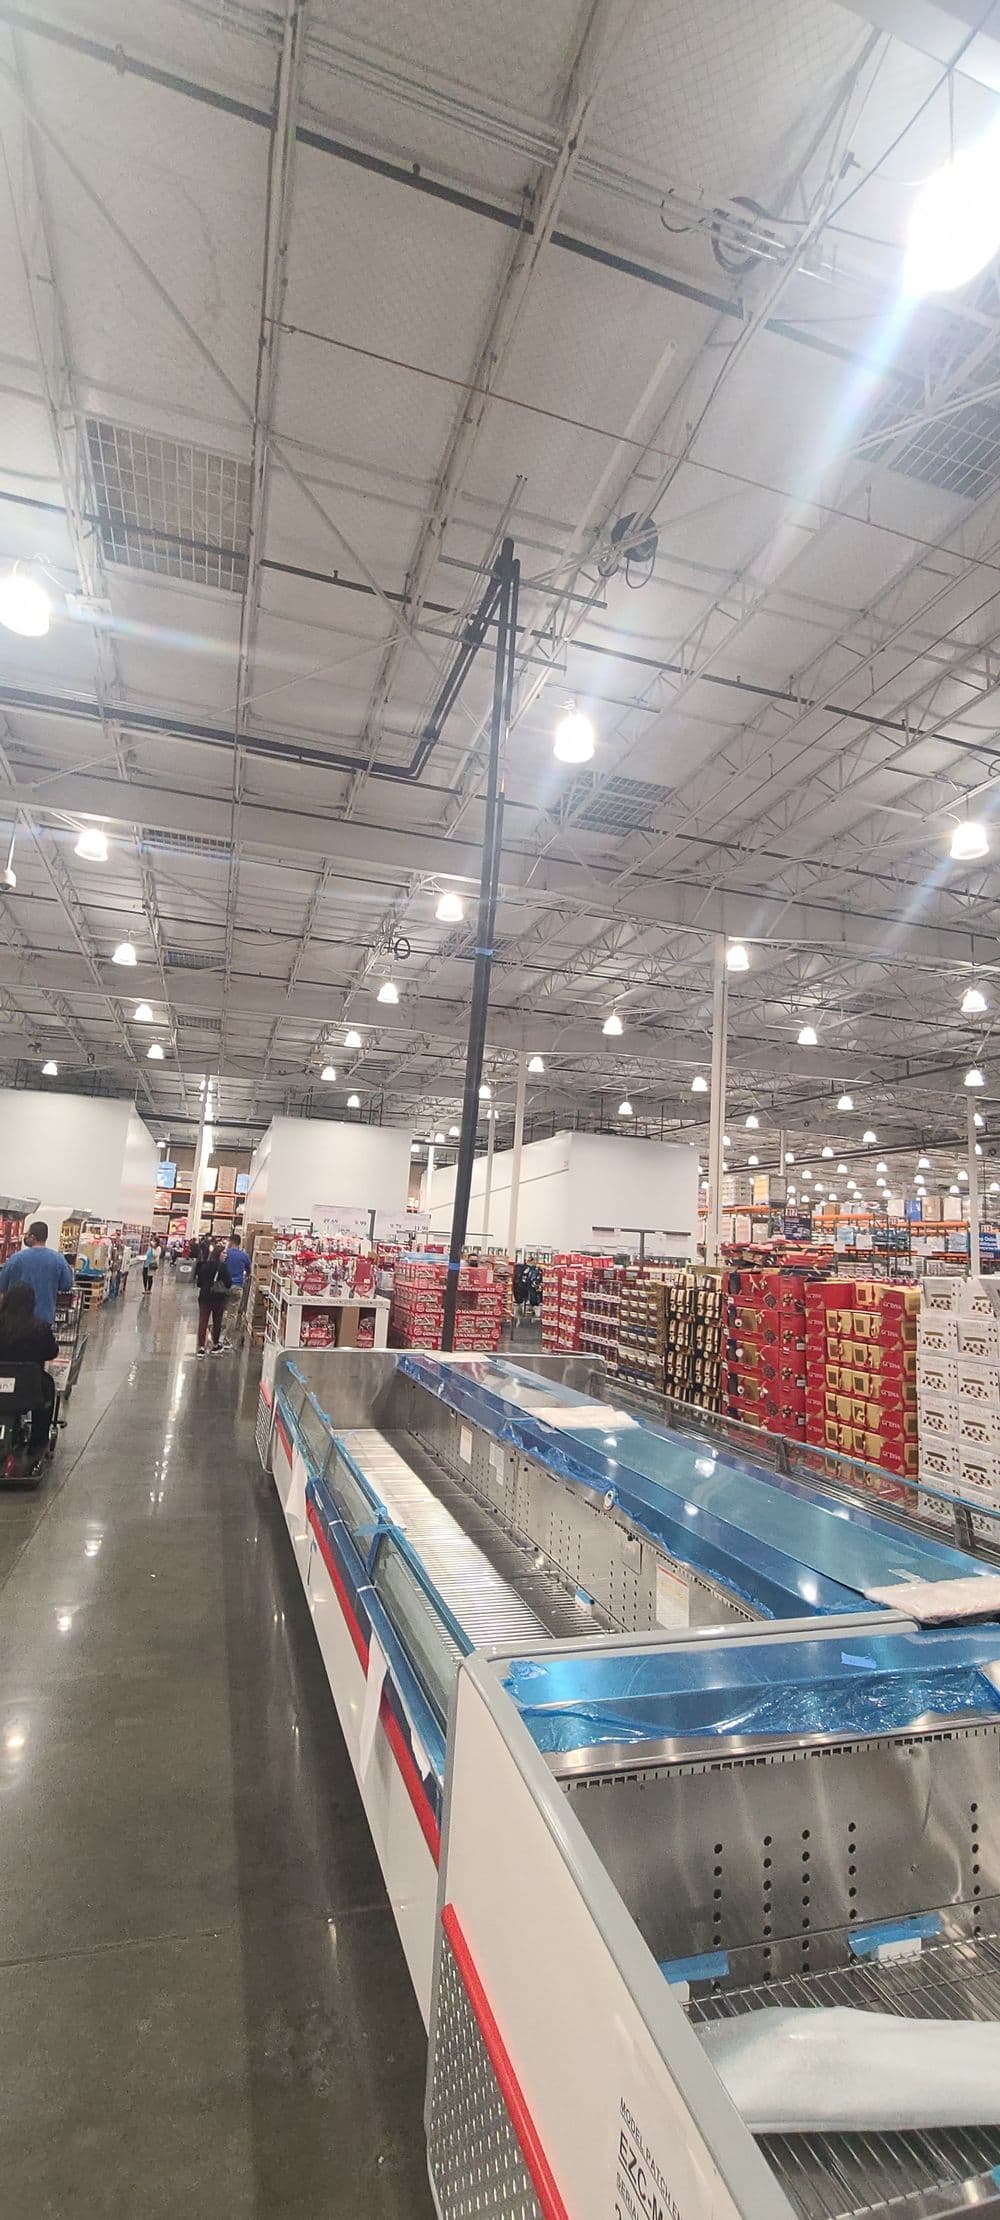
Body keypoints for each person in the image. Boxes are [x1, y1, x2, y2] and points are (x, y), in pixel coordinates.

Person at [0, 1282, 59, 1451]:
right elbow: (52, 1352)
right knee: (47, 1387)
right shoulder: (40, 1328)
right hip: (28, 1389)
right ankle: (38, 1440)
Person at [0, 1221, 73, 1325]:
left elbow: (2, 1284)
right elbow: (66, 1285)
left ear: (32, 1237)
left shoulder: (16, 1258)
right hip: (44, 1318)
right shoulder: (58, 1259)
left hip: (16, 1318)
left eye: (27, 1234)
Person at [195, 1239, 231, 1354]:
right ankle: (215, 1345)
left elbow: (199, 1283)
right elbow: (228, 1283)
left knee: (203, 1321)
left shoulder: (205, 1265)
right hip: (218, 1298)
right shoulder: (223, 1267)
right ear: (218, 1254)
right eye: (224, 1253)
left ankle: (201, 1346)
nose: (226, 1255)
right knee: (217, 1321)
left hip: (204, 1297)